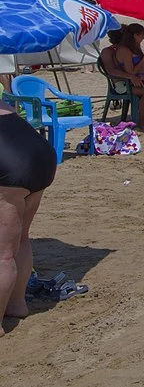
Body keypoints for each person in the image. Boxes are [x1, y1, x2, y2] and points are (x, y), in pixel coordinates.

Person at [0, 98, 57, 337]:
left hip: (9, 164)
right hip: (38, 154)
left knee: (2, 254)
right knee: (21, 238)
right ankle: (16, 304)